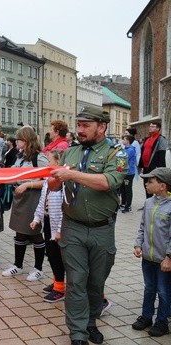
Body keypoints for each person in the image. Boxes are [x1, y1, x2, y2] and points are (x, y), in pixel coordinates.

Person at [49, 106, 127, 345]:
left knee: (96, 282)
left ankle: (91, 322)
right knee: (76, 281)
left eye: (86, 126)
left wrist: (72, 176)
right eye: (79, 125)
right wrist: (52, 178)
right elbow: (55, 186)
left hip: (103, 228)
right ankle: (78, 332)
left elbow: (110, 182)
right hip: (73, 226)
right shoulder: (70, 152)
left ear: (102, 127)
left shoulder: (116, 153)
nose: (79, 130)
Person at [2, 126, 48, 281]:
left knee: (35, 233)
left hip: (33, 197)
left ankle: (38, 268)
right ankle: (18, 265)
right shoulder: (20, 157)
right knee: (19, 231)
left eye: (19, 139)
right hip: (20, 197)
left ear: (27, 140)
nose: (16, 141)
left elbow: (49, 182)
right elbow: (14, 174)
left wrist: (28, 185)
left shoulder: (39, 158)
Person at [132, 167, 171, 337]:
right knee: (149, 288)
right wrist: (138, 244)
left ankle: (162, 322)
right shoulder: (148, 203)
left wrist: (169, 257)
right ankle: (146, 316)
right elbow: (142, 227)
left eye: (150, 181)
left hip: (164, 260)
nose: (146, 184)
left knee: (163, 290)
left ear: (162, 186)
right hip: (148, 257)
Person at [30, 150, 66, 303]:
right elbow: (42, 202)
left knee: (58, 257)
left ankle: (60, 289)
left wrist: (59, 230)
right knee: (51, 255)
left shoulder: (64, 182)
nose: (47, 162)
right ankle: (57, 281)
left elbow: (66, 208)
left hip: (58, 225)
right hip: (47, 222)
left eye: (49, 159)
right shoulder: (47, 180)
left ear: (58, 162)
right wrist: (36, 218)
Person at [139, 121, 168, 198]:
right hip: (146, 167)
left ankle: (158, 203)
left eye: (153, 126)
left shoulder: (161, 139)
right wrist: (140, 165)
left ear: (158, 128)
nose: (150, 128)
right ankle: (148, 203)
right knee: (147, 186)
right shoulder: (147, 138)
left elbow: (162, 155)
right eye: (150, 126)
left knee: (156, 187)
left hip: (154, 168)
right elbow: (143, 152)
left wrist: (160, 169)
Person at [120, 135, 137, 213]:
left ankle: (128, 206)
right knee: (123, 189)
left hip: (129, 173)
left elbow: (123, 159)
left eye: (124, 139)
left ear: (128, 141)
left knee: (128, 189)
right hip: (124, 172)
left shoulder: (130, 150)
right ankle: (123, 203)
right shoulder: (125, 149)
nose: (123, 141)